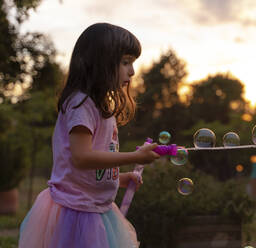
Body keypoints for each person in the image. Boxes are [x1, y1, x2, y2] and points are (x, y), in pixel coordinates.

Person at [19, 22, 160, 248]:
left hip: (96, 209)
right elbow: (82, 158)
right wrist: (134, 157)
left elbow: (96, 163)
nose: (132, 72)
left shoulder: (102, 105)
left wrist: (119, 178)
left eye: (132, 63)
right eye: (125, 62)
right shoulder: (81, 104)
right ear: (100, 62)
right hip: (75, 214)